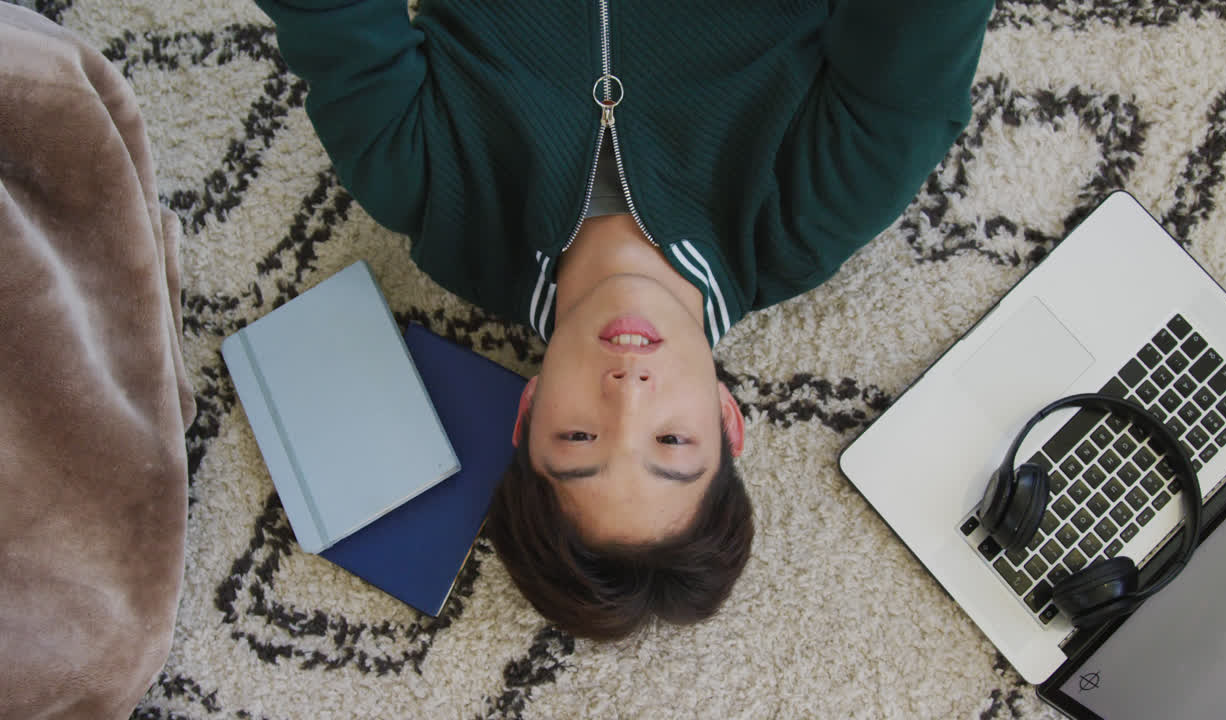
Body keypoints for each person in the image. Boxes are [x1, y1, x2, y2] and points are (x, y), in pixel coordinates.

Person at [251, 0, 996, 638]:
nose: (628, 388)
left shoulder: (429, 195)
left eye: (579, 436)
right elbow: (920, 39)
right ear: (728, 420)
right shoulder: (816, 209)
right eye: (672, 438)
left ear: (528, 413)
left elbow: (334, 22)